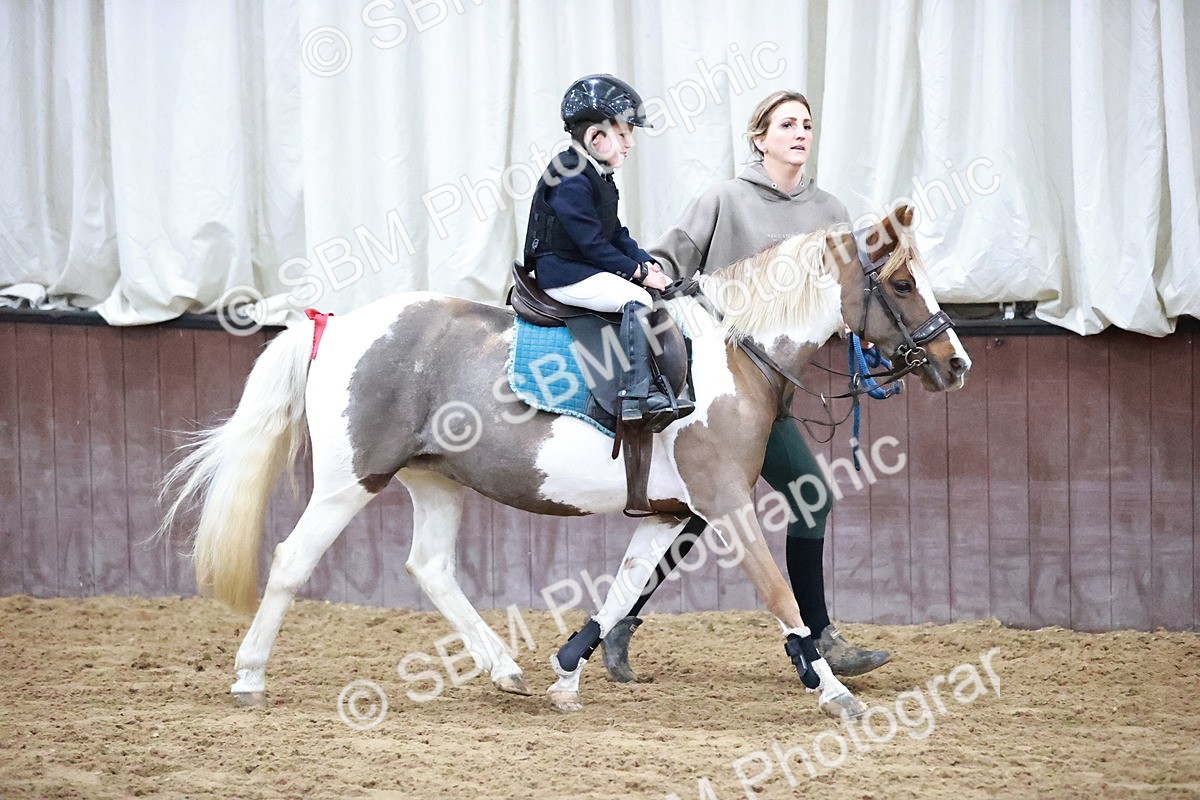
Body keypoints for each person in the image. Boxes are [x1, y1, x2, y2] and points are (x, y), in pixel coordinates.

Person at [599, 90, 892, 679]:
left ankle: (813, 635)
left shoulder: (830, 211)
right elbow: (664, 265)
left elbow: (845, 296)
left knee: (790, 499)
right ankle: (814, 637)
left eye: (806, 124)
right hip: (708, 396)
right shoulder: (724, 199)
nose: (800, 133)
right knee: (714, 509)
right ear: (760, 139)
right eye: (786, 124)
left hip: (770, 397)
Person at [524, 74, 693, 429]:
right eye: (623, 134)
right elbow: (592, 244)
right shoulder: (569, 177)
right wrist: (639, 275)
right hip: (563, 272)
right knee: (638, 299)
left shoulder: (596, 174)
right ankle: (634, 396)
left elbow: (615, 233)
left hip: (581, 265)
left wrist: (646, 261)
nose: (630, 143)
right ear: (595, 137)